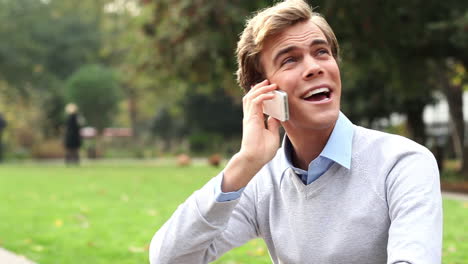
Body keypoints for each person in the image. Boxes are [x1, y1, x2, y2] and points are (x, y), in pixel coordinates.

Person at [149, 0, 442, 263]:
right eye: (290, 59)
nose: (314, 67)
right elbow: (169, 258)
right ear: (263, 93)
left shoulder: (403, 163)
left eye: (321, 52)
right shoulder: (261, 182)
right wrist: (243, 164)